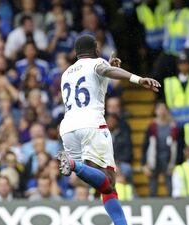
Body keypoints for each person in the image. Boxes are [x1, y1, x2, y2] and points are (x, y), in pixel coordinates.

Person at [57, 35, 160, 225]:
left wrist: (110, 68)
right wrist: (138, 79)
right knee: (110, 183)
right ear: (95, 49)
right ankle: (73, 164)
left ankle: (74, 165)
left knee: (99, 184)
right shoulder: (97, 63)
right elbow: (102, 69)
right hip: (92, 124)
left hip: (68, 128)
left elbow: (94, 81)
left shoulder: (67, 73)